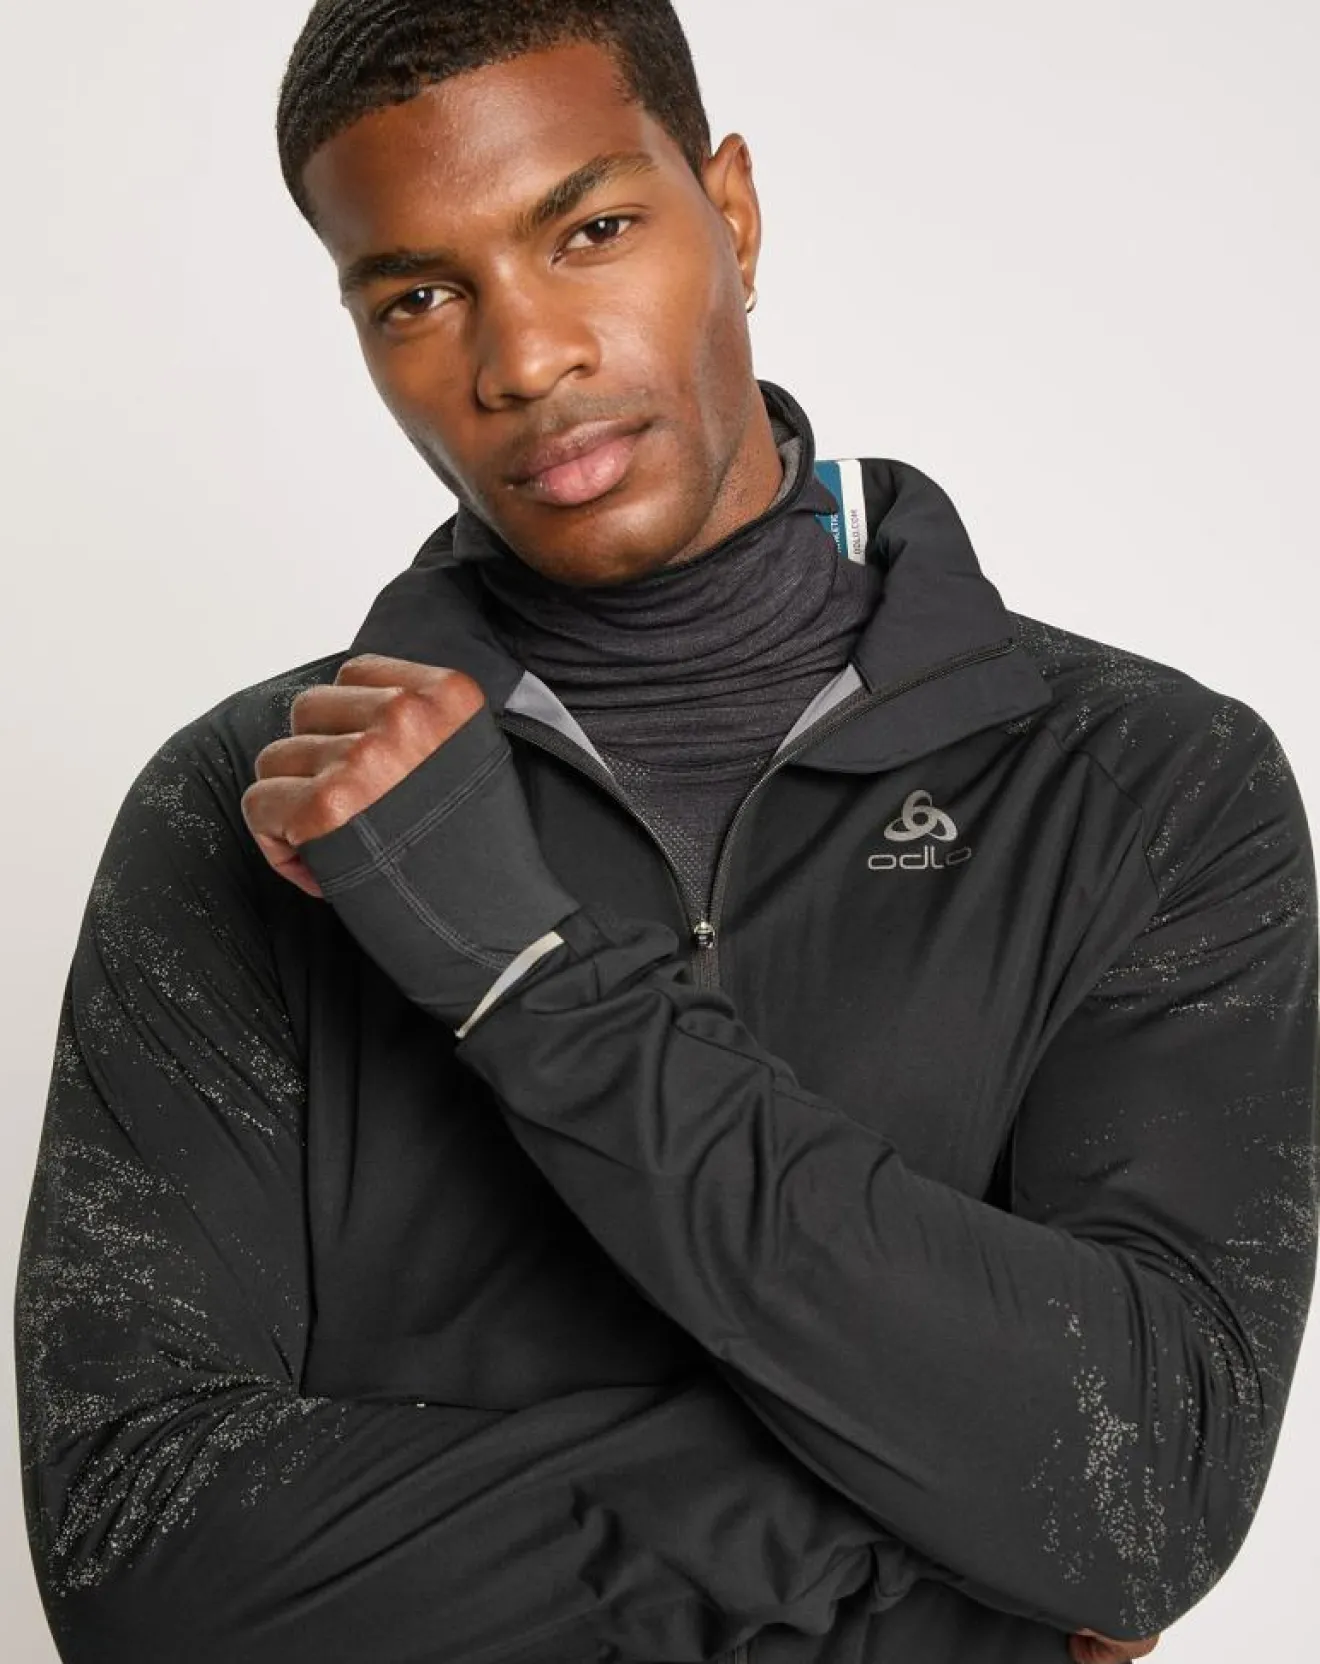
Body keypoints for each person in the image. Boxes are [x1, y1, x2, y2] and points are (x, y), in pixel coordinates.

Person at [14, 3, 1316, 1662]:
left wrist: (524, 972)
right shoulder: (239, 809)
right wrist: (934, 1532)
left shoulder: (1146, 784)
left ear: (736, 214)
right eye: (417, 296)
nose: (522, 358)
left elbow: (1147, 1488)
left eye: (591, 231)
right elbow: (133, 1560)